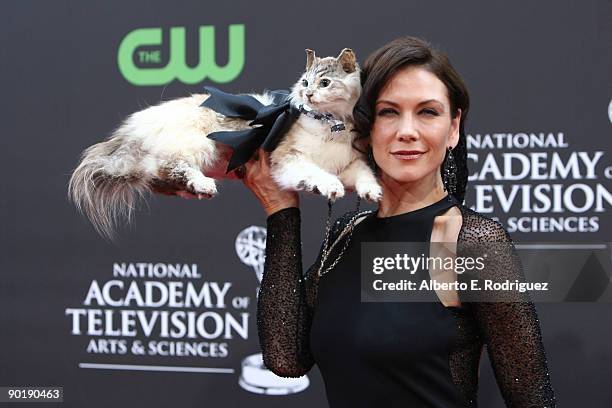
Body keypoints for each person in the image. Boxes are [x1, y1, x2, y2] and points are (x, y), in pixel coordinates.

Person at [162, 37, 556, 407]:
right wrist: (281, 212)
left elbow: (532, 397)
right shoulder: (346, 234)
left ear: (453, 128)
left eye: (428, 112)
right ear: (365, 128)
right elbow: (286, 358)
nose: (407, 131)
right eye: (389, 112)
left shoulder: (471, 242)